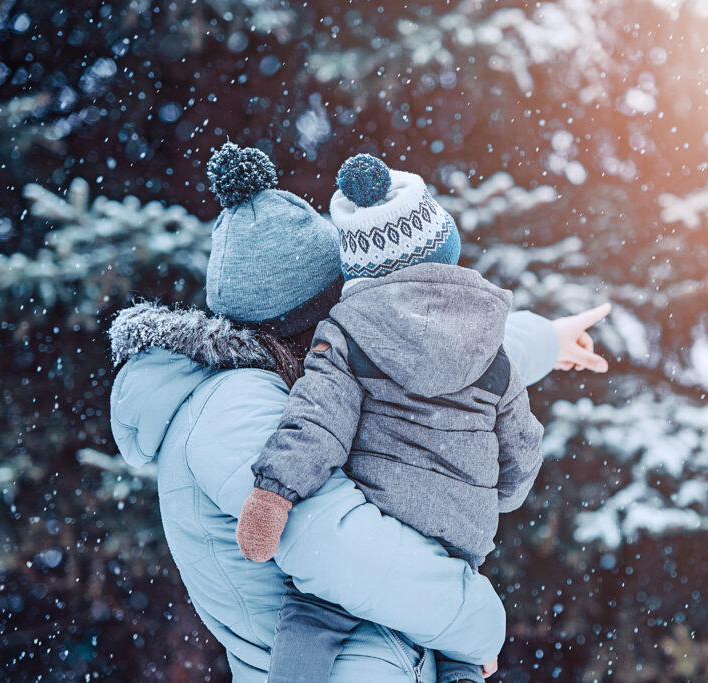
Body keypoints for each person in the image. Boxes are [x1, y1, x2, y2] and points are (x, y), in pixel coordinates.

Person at [107, 142, 611, 682]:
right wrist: (479, 621)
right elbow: (339, 551)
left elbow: (440, 352)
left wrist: (545, 338)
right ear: (315, 318)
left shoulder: (308, 368)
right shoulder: (232, 408)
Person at [233, 154, 545, 683]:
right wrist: (498, 496)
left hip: (378, 516)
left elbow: (316, 421)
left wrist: (273, 493)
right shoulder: (493, 347)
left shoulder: (346, 333)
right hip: (460, 533)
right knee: (457, 652)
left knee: (312, 616)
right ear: (444, 245)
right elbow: (521, 447)